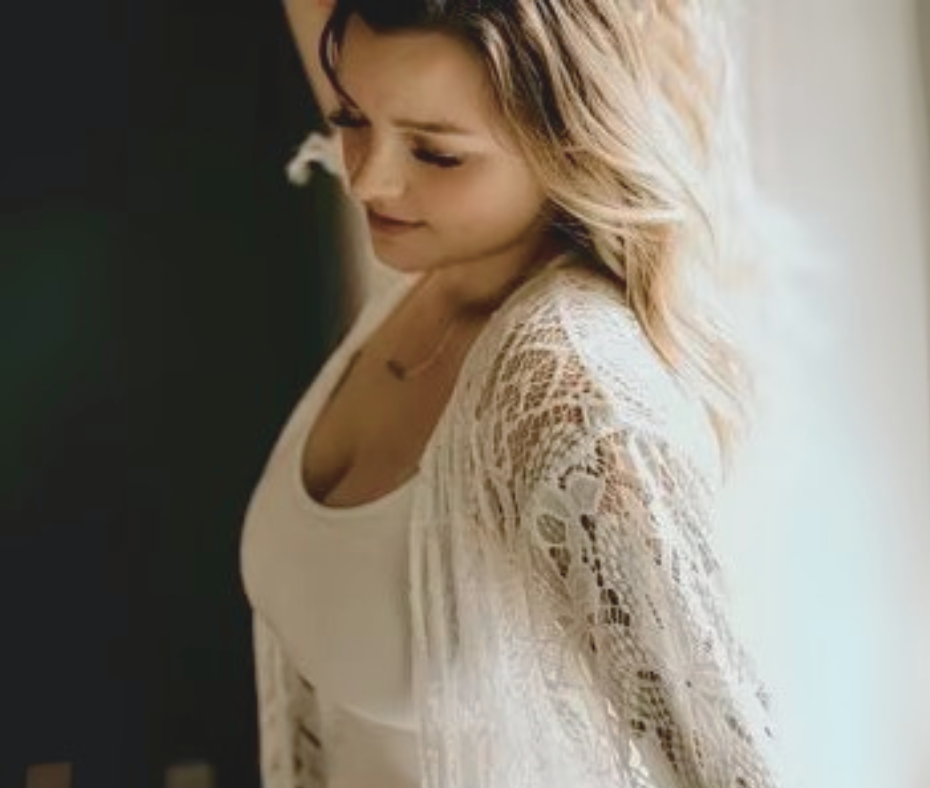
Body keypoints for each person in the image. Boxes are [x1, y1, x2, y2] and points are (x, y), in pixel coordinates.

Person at [240, 1, 787, 787]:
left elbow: (734, 770)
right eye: (351, 116)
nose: (365, 175)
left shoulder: (571, 396)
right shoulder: (441, 267)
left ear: (565, 142)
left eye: (436, 153)